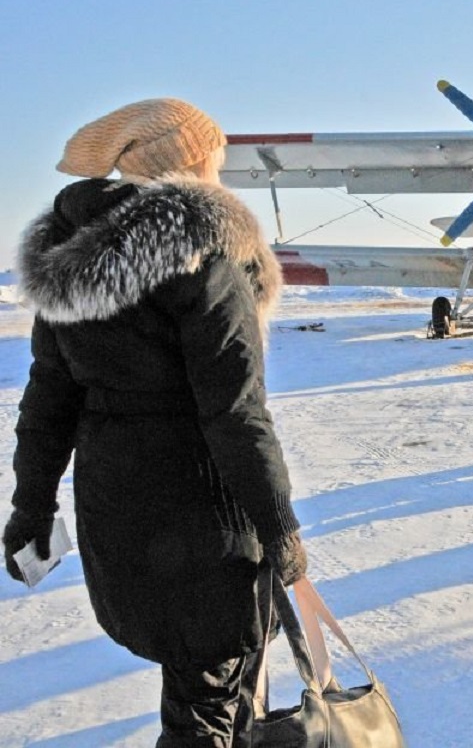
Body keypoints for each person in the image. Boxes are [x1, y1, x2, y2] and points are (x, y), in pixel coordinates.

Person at [2, 98, 307, 746]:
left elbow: (49, 397)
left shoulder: (69, 262)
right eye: (213, 159)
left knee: (202, 683)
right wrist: (279, 527)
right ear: (186, 163)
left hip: (121, 514)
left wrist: (30, 506)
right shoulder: (203, 255)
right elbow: (235, 413)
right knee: (206, 704)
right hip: (204, 521)